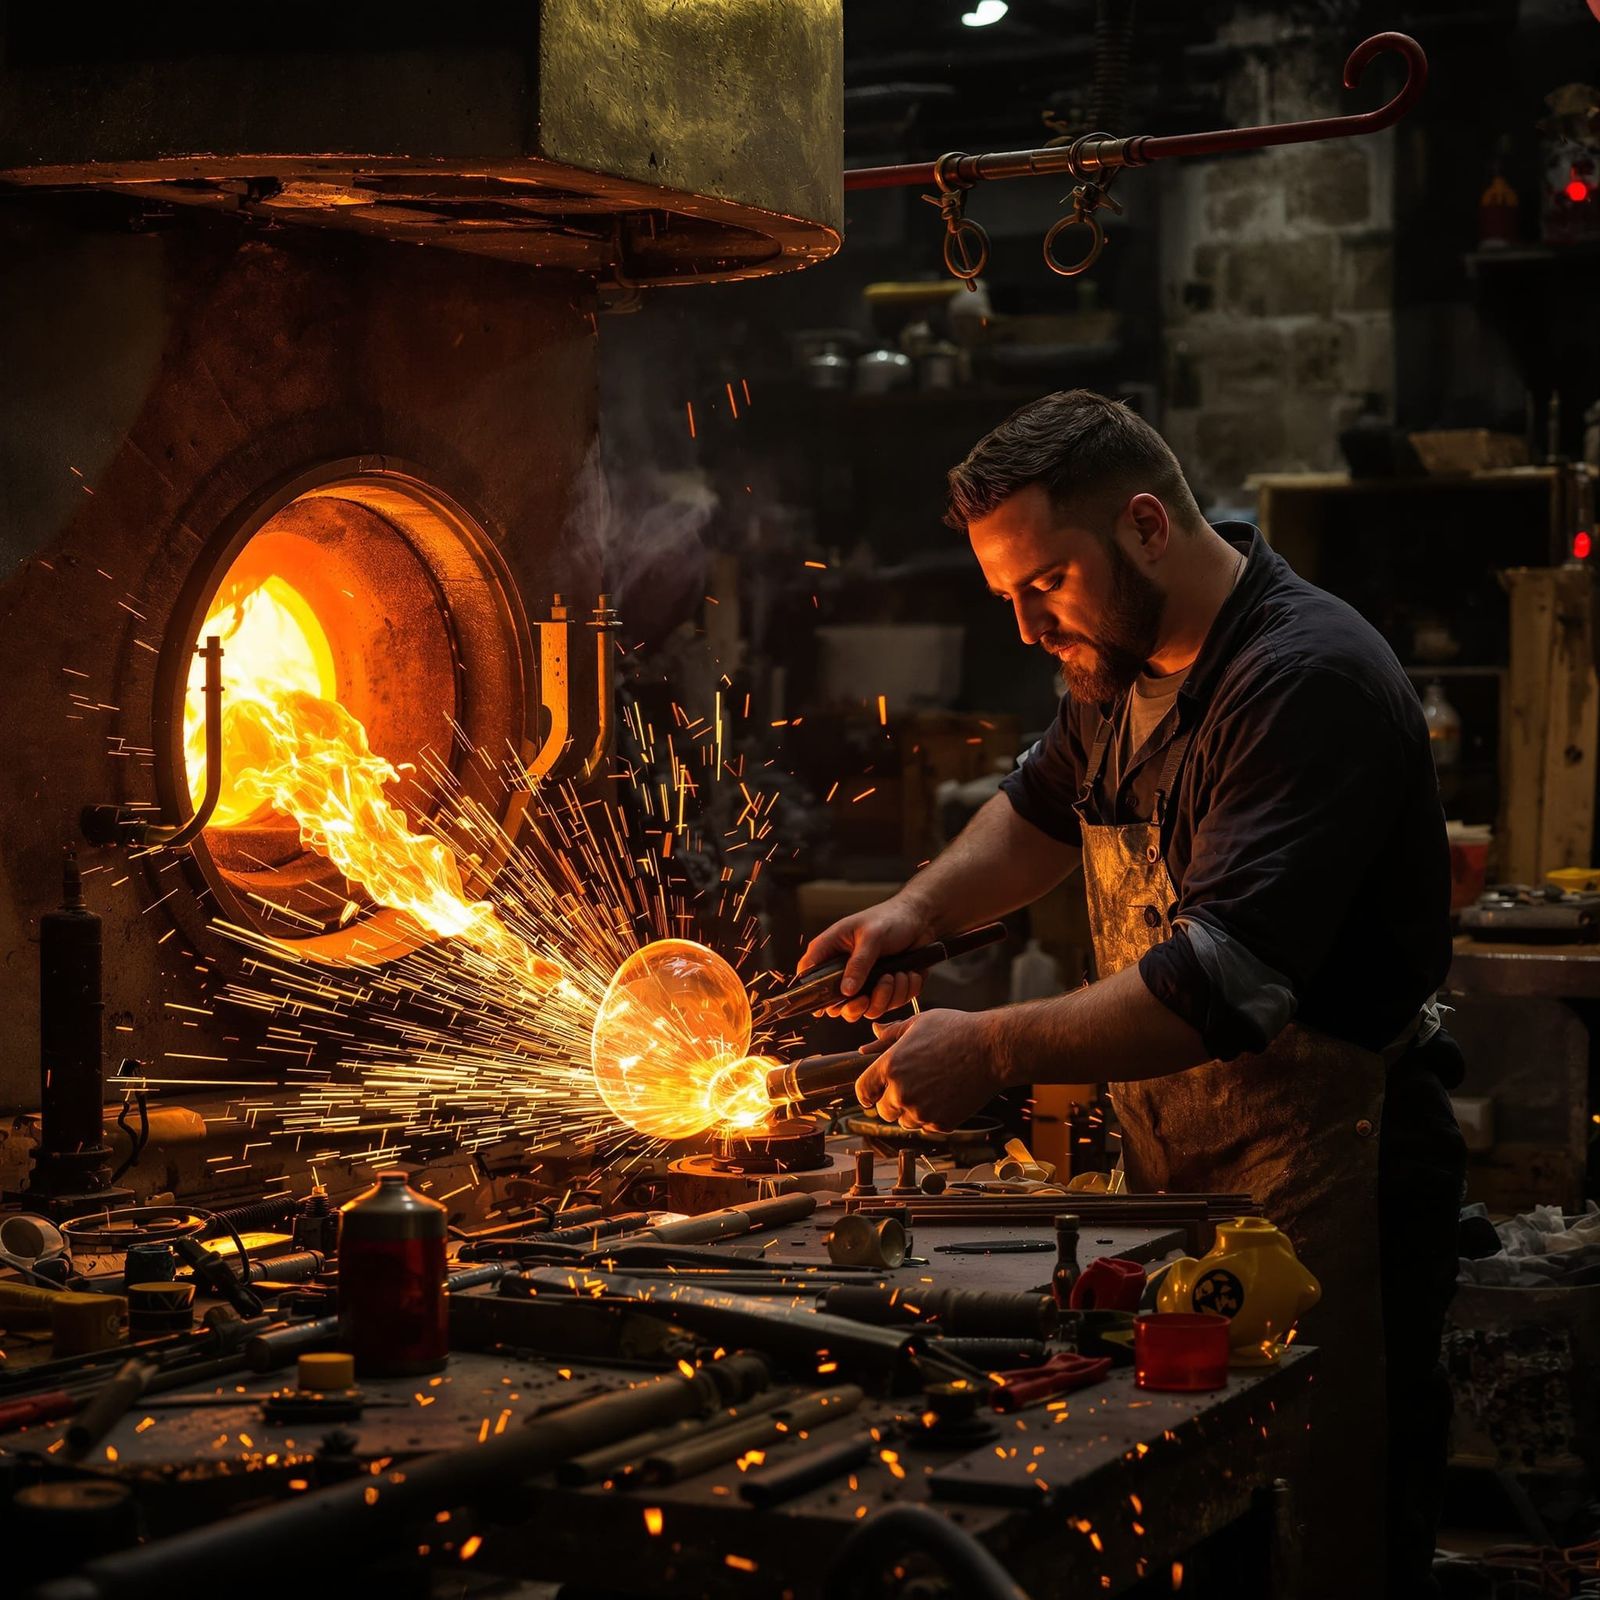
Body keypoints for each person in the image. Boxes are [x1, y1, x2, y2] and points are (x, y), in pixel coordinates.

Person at [799, 390, 1466, 1598]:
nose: (1022, 624)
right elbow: (1043, 805)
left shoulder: (1297, 681)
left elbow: (1218, 983)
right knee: (1203, 1526)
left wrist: (988, 1047)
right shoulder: (1121, 670)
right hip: (1193, 1177)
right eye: (1006, 594)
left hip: (1333, 1177)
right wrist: (919, 913)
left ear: (1148, 526)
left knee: (1320, 1532)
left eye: (1043, 583)